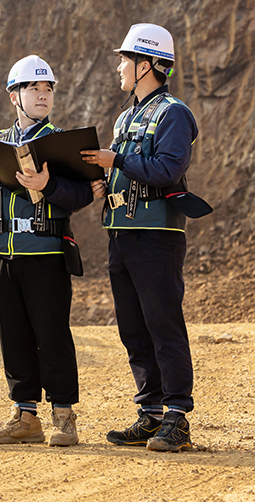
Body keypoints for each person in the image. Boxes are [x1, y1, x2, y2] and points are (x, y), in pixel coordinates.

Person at [0, 55, 92, 447]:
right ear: (14, 95)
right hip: (2, 253)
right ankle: (25, 416)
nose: (43, 95)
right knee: (13, 336)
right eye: (34, 88)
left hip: (46, 253)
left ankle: (64, 416)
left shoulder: (64, 143)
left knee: (52, 335)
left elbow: (82, 195)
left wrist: (48, 185)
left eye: (48, 89)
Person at [81, 23, 199, 453]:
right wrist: (102, 178)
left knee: (162, 322)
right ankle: (149, 413)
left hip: (157, 235)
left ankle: (177, 416)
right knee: (133, 327)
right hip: (122, 234)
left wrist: (118, 159)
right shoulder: (126, 116)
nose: (119, 66)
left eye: (125, 60)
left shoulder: (174, 113)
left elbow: (167, 169)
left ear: (147, 64)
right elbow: (126, 169)